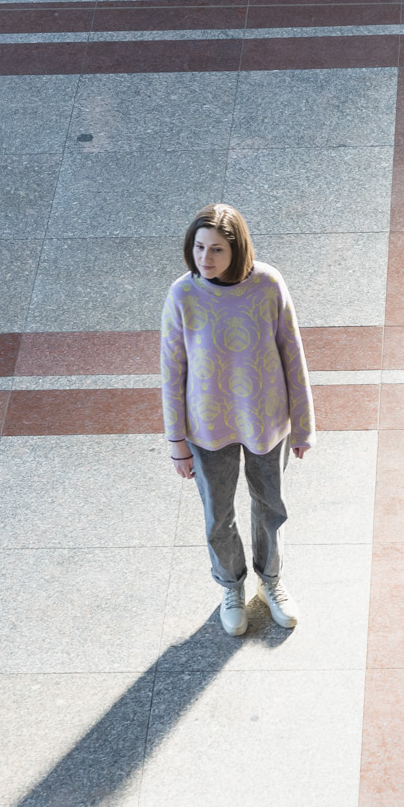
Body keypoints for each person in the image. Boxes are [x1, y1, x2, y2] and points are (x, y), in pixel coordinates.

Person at [161, 202, 315, 638]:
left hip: (266, 421)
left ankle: (271, 582)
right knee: (218, 516)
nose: (205, 259)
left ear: (237, 250)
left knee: (270, 508)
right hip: (207, 429)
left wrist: (303, 426)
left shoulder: (268, 283)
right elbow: (172, 371)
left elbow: (292, 354)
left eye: (216, 250)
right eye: (198, 248)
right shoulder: (183, 295)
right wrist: (177, 442)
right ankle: (231, 586)